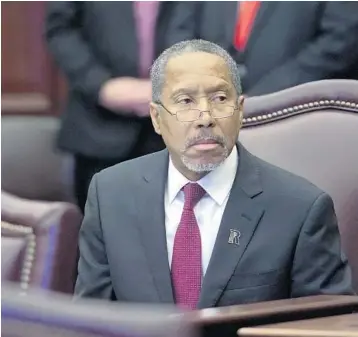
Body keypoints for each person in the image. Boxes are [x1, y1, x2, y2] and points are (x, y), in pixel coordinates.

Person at [75, 40, 354, 309]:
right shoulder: (110, 194)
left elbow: (326, 324)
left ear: (240, 110)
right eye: (185, 100)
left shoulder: (300, 208)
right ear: (157, 118)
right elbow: (89, 321)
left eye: (220, 98)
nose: (205, 117)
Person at [45, 2, 191, 212]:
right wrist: (100, 85)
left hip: (178, 127)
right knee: (103, 234)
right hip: (99, 127)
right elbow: (60, 29)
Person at [168, 2, 358, 95]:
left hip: (293, 112)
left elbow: (342, 36)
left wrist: (273, 91)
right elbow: (181, 33)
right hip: (207, 112)